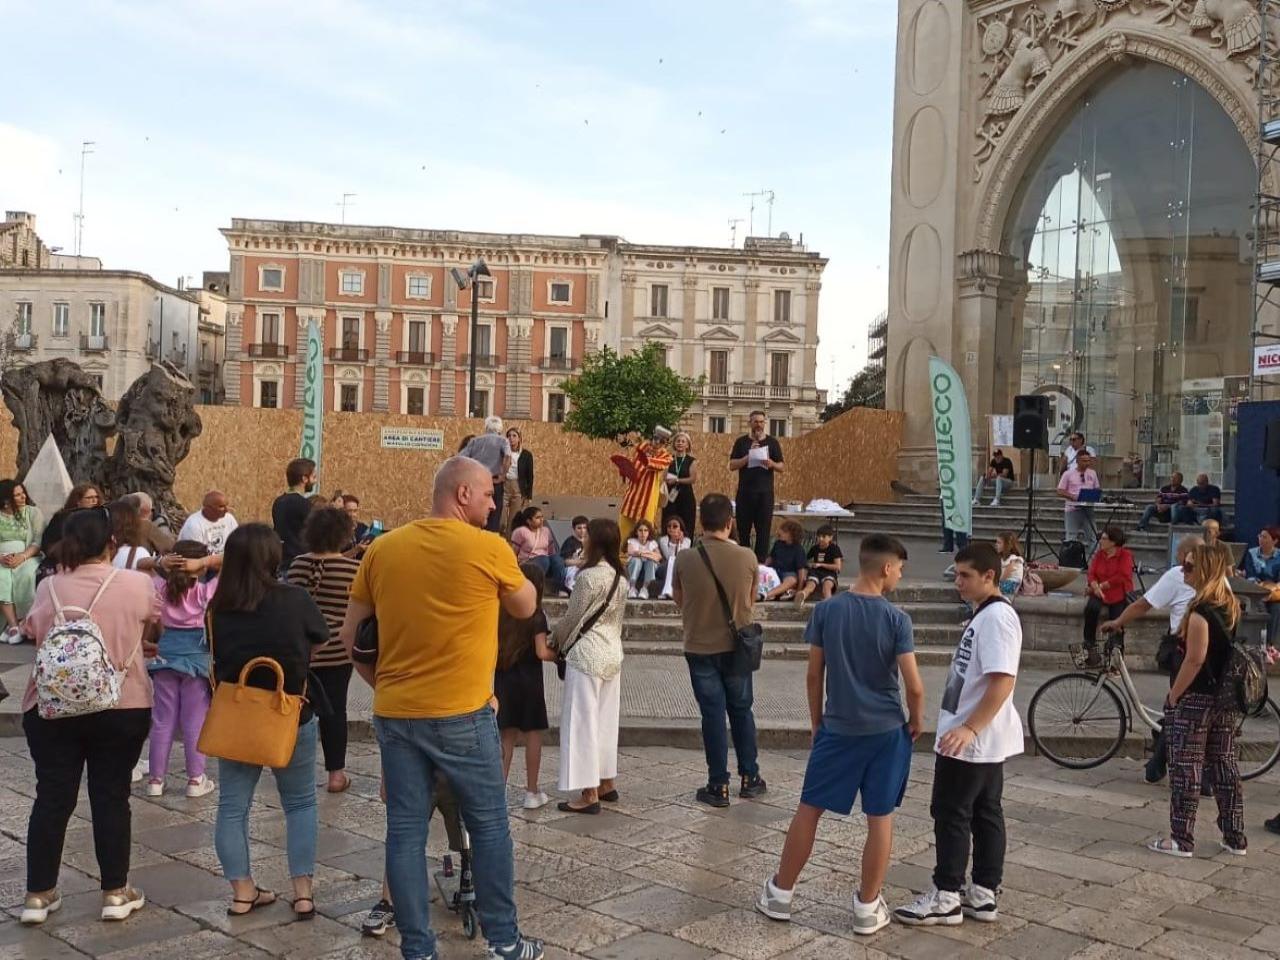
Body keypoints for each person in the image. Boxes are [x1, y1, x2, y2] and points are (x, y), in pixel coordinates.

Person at [338, 455, 543, 960]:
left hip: (397, 715)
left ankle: (418, 949)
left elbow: (350, 639)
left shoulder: (382, 550)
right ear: (462, 494)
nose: (495, 503)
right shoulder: (488, 548)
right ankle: (504, 941)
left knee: (405, 832)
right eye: (489, 494)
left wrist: (383, 683)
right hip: (464, 714)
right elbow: (526, 606)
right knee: (490, 824)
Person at [756, 534, 924, 935]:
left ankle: (781, 892)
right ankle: (867, 906)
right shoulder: (897, 619)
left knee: (809, 807)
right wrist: (915, 719)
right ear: (885, 568)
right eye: (899, 569)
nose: (899, 576)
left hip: (839, 727)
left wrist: (817, 722)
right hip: (885, 730)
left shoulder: (827, 612)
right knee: (880, 817)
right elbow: (914, 685)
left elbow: (815, 674)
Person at [19, 508, 160, 925]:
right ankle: (115, 892)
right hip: (122, 703)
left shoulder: (49, 587)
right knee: (111, 796)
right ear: (110, 542)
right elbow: (155, 623)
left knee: (52, 797)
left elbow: (32, 630)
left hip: (51, 706)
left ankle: (38, 894)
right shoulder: (137, 582)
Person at [894, 543, 1022, 927]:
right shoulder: (986, 615)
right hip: (977, 736)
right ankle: (982, 893)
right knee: (984, 812)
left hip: (971, 739)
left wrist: (969, 728)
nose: (958, 583)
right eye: (957, 574)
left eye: (966, 576)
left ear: (990, 577)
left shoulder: (997, 618)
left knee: (952, 813)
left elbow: (1002, 679)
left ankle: (947, 894)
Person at [209, 523, 329, 919]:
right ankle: (303, 892)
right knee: (299, 803)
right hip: (289, 711)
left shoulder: (220, 606)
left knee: (232, 806)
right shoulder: (294, 598)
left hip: (238, 714)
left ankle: (243, 891)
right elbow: (320, 637)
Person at [1148, 543, 1247, 857]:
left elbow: (1194, 660)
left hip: (1197, 699)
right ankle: (1235, 837)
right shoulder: (1230, 604)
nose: (1183, 571)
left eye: (1189, 567)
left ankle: (1181, 838)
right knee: (1224, 766)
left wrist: (1173, 695)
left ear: (1204, 571)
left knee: (1186, 769)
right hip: (1224, 700)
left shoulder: (1200, 614)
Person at [672, 493, 767, 807]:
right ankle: (750, 777)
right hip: (738, 646)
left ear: (701, 522)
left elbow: (678, 597)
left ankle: (718, 784)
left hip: (699, 644)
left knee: (712, 715)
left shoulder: (685, 558)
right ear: (730, 523)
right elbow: (752, 601)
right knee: (741, 710)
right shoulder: (748, 557)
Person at [1102, 535, 1203, 784]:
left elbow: (1143, 604)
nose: (1183, 569)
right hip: (1210, 653)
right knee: (1187, 709)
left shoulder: (1180, 577)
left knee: (1177, 705)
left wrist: (1118, 622)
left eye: (1183, 561)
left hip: (1188, 650)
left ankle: (1159, 764)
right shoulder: (1218, 580)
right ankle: (1160, 762)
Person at [548, 518, 628, 816]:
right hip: (612, 653)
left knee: (581, 723)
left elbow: (572, 619)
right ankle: (607, 782)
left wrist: (553, 639)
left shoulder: (588, 577)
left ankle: (588, 792)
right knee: (606, 721)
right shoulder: (622, 578)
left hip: (586, 656)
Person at [286, 506, 361, 794]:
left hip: (301, 651)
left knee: (295, 710)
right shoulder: (353, 570)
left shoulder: (298, 565)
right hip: (338, 653)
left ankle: (291, 765)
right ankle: (336, 775)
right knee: (335, 713)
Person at [145, 540, 218, 799]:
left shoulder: (159, 587)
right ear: (197, 566)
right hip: (197, 660)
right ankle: (195, 779)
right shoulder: (205, 591)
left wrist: (159, 562)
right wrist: (206, 562)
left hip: (165, 656)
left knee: (162, 721)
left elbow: (138, 567)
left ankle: (155, 779)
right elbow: (233, 562)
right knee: (194, 722)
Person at [495, 562, 551, 811]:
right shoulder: (537, 615)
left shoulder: (501, 613)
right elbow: (541, 652)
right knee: (532, 735)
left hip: (504, 679)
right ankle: (531, 790)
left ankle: (499, 789)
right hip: (530, 681)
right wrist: (558, 652)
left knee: (506, 735)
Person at [729, 411, 785, 560]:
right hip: (745, 493)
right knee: (743, 531)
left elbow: (781, 467)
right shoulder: (741, 442)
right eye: (755, 422)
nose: (758, 425)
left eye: (761, 422)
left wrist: (771, 463)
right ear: (750, 423)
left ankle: (760, 565)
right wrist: (748, 457)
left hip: (765, 494)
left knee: (763, 532)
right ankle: (744, 562)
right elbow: (732, 465)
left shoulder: (772, 442)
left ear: (764, 423)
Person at [1081, 525, 1134, 667]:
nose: (1101, 541)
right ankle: (1090, 647)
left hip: (1117, 592)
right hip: (1098, 592)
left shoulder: (1125, 555)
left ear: (1113, 542)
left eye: (1104, 539)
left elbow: (1122, 576)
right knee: (1090, 609)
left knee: (1117, 619)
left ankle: (1115, 658)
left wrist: (1101, 586)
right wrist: (1094, 586)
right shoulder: (1099, 555)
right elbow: (1091, 573)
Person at [0, 479, 42, 643]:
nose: (22, 496)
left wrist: (22, 557)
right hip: (2, 559)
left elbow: (38, 541)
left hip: (28, 556)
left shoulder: (33, 513)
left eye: (22, 492)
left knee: (26, 575)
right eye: (16, 495)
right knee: (2, 577)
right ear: (5, 500)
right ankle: (13, 625)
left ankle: (23, 623)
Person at [38, 483, 104, 581]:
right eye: (89, 498)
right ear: (78, 501)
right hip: (64, 560)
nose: (94, 501)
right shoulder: (62, 518)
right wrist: (60, 560)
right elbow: (48, 543)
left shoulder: (102, 517)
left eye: (96, 497)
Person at [461, 416, 513, 534]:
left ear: (486, 427)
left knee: (475, 512)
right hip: (493, 482)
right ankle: (490, 542)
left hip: (476, 482)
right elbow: (508, 458)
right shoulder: (503, 441)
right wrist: (502, 476)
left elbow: (461, 458)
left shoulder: (475, 441)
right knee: (493, 515)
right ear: (500, 429)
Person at [272, 459, 316, 573]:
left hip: (281, 561)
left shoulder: (278, 501)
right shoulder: (304, 504)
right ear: (304, 479)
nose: (315, 481)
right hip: (299, 565)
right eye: (313, 477)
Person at [510, 507, 567, 595]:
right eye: (537, 518)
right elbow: (513, 553)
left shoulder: (546, 531)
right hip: (528, 563)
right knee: (544, 559)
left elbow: (551, 551)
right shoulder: (520, 532)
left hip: (546, 562)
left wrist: (555, 560)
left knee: (557, 559)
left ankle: (560, 589)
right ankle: (534, 589)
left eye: (542, 517)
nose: (541, 520)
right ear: (528, 521)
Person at [1240, 525, 1280, 647]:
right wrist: (1260, 589)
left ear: (1275, 540)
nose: (1261, 539)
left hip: (1274, 591)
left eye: (1265, 537)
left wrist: (1272, 589)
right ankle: (1258, 643)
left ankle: (1270, 644)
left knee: (1276, 608)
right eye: (1260, 536)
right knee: (1260, 606)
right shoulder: (1251, 553)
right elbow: (1250, 575)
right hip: (1255, 590)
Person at [1056, 450, 1100, 548]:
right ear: (1077, 461)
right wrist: (1073, 496)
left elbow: (1096, 488)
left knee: (1093, 537)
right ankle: (1069, 560)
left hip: (1088, 508)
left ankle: (1094, 560)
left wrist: (1094, 495)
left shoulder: (1092, 473)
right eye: (1084, 461)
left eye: (1088, 461)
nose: (1087, 463)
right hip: (1073, 509)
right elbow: (1060, 490)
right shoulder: (1068, 474)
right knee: (1071, 537)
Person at [178, 490, 238, 556]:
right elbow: (195, 559)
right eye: (221, 507)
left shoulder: (229, 519)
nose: (226, 510)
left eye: (226, 506)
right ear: (208, 508)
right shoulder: (193, 526)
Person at [662, 431, 698, 537]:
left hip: (686, 496)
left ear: (687, 445)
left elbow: (693, 479)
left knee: (686, 523)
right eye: (678, 441)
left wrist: (677, 480)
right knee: (669, 520)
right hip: (671, 497)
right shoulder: (669, 459)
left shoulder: (691, 461)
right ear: (674, 444)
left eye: (683, 441)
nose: (680, 443)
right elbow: (664, 476)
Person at [796, 524, 843, 604]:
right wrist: (809, 564)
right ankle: (802, 596)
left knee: (827, 586)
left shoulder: (834, 549)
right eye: (819, 536)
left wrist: (821, 565)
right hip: (815, 572)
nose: (820, 539)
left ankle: (828, 604)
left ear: (830, 537)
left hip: (829, 573)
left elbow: (838, 567)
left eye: (824, 537)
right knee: (810, 585)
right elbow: (804, 560)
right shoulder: (815, 548)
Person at [763, 520, 807, 602]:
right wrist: (763, 567)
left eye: (784, 531)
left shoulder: (798, 549)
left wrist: (799, 589)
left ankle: (768, 595)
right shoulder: (778, 543)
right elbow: (771, 558)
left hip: (789, 573)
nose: (780, 532)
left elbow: (801, 570)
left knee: (792, 580)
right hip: (775, 570)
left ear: (791, 535)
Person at [503, 427, 534, 533]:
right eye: (509, 436)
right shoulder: (503, 453)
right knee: (501, 520)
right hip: (504, 485)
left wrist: (528, 496)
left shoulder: (526, 455)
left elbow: (530, 476)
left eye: (514, 436)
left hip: (518, 488)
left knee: (513, 521)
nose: (511, 438)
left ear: (519, 438)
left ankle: (509, 545)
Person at [656, 515, 692, 600]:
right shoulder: (663, 540)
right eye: (669, 526)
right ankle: (668, 590)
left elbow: (681, 557)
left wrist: (679, 543)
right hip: (663, 568)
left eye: (675, 526)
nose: (671, 528)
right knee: (672, 559)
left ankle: (668, 591)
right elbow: (669, 556)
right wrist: (673, 541)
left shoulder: (687, 541)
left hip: (680, 568)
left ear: (680, 528)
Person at [624, 519, 661, 599]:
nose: (643, 533)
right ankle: (632, 588)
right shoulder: (632, 541)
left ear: (649, 532)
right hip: (634, 567)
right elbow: (631, 552)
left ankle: (645, 589)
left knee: (651, 561)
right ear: (636, 532)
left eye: (645, 530)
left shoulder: (652, 543)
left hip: (647, 568)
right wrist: (649, 553)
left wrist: (641, 553)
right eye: (640, 530)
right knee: (636, 560)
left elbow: (658, 557)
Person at [560, 515, 589, 591]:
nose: (582, 530)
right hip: (572, 569)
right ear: (573, 529)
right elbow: (566, 561)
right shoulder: (570, 542)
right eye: (579, 528)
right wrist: (580, 562)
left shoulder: (590, 541)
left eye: (584, 528)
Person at [995, 532, 1024, 598]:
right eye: (996, 542)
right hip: (1003, 583)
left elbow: (1004, 576)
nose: (996, 545)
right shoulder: (1002, 559)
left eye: (999, 543)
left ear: (1007, 545)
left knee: (987, 588)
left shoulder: (1013, 559)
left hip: (1011, 585)